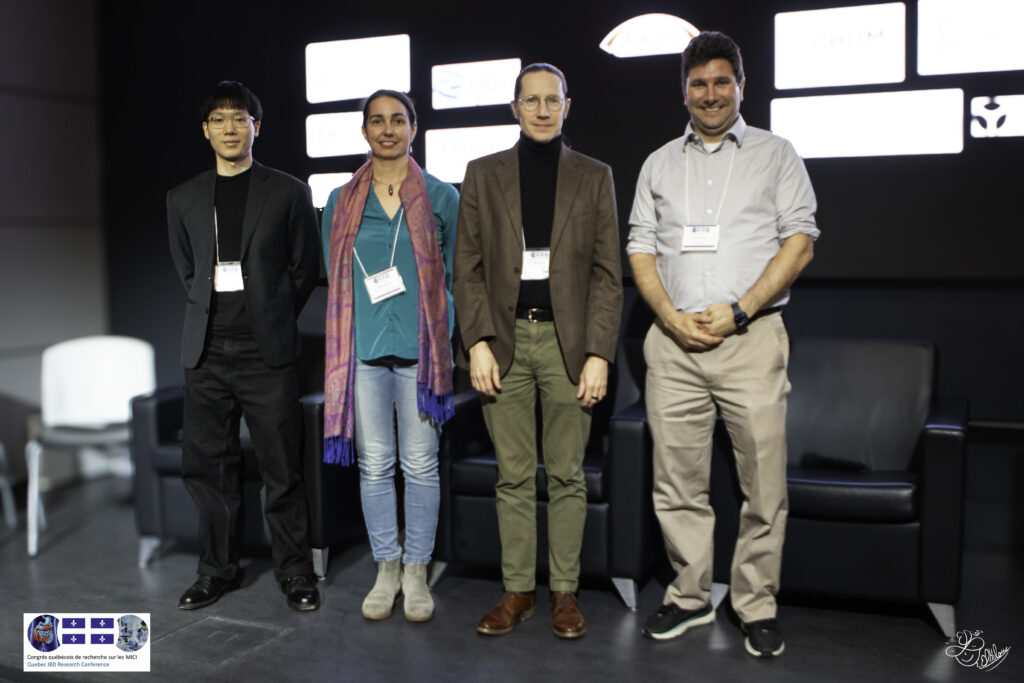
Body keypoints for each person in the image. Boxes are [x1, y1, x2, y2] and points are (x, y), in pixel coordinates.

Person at [626, 31, 819, 657]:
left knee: (764, 485)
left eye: (721, 82)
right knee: (676, 482)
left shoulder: (776, 154)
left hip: (751, 340)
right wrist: (667, 317)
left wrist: (740, 310)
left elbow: (800, 243)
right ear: (683, 90)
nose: (710, 95)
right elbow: (641, 249)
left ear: (741, 85)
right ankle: (688, 596)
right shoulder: (658, 163)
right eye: (698, 84)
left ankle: (755, 603)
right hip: (673, 344)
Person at [453, 63, 623, 639]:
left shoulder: (594, 176)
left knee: (569, 474)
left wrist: (599, 352)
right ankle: (518, 591)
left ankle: (565, 593)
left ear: (568, 106)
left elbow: (608, 274)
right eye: (532, 100)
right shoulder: (482, 174)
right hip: (502, 343)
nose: (543, 110)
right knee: (513, 476)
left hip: (567, 344)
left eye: (553, 100)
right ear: (515, 107)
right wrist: (476, 341)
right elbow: (466, 268)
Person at [168, 80, 321, 612]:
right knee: (208, 469)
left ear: (257, 126)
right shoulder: (182, 198)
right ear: (205, 130)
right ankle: (216, 570)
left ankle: (295, 571)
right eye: (219, 119)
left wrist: (273, 314)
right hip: (206, 352)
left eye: (240, 118)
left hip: (266, 353)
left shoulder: (288, 192)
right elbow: (188, 272)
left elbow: (305, 268)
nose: (230, 128)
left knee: (282, 468)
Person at [322, 90, 458, 623]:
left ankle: (416, 572)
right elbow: (334, 275)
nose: (387, 130)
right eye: (377, 121)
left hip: (423, 353)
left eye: (397, 120)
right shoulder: (340, 200)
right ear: (364, 131)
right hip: (364, 350)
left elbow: (453, 273)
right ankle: (386, 567)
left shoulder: (442, 196)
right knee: (375, 464)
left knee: (420, 465)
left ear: (413, 128)